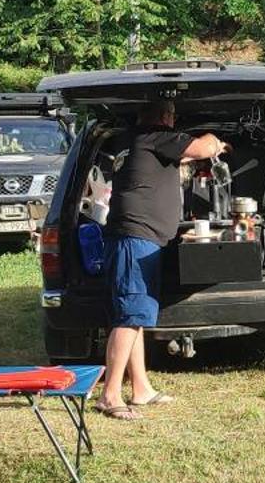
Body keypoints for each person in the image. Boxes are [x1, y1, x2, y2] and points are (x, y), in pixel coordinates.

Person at [97, 99, 227, 420]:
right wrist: (215, 141)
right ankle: (110, 395)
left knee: (133, 315)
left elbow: (179, 158)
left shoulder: (133, 141)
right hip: (136, 240)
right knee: (130, 316)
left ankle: (140, 389)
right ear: (165, 117)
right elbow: (200, 148)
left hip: (134, 238)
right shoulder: (156, 135)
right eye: (172, 115)